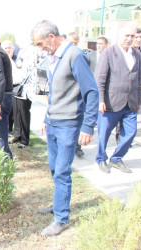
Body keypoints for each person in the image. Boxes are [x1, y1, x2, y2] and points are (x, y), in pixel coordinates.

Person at [31, 20, 98, 236]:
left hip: (69, 125)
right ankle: (57, 202)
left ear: (52, 37)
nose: (40, 48)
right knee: (54, 168)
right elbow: (55, 93)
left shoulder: (74, 55)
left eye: (41, 43)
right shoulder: (54, 57)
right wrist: (46, 117)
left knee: (61, 172)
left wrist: (88, 127)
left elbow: (91, 92)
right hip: (53, 123)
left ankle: (61, 218)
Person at [96, 23, 141, 174]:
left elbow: (138, 79)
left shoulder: (137, 54)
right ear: (119, 36)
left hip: (130, 103)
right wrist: (100, 100)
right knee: (104, 133)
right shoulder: (109, 52)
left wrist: (139, 99)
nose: (129, 39)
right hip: (110, 102)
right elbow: (100, 78)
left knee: (131, 132)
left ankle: (116, 158)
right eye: (126, 36)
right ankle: (101, 159)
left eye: (132, 36)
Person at [2, 40, 30, 149]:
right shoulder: (4, 59)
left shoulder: (18, 59)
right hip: (12, 88)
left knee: (23, 114)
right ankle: (17, 135)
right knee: (15, 114)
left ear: (13, 49)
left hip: (22, 89)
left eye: (9, 48)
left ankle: (25, 139)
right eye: (6, 48)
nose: (8, 50)